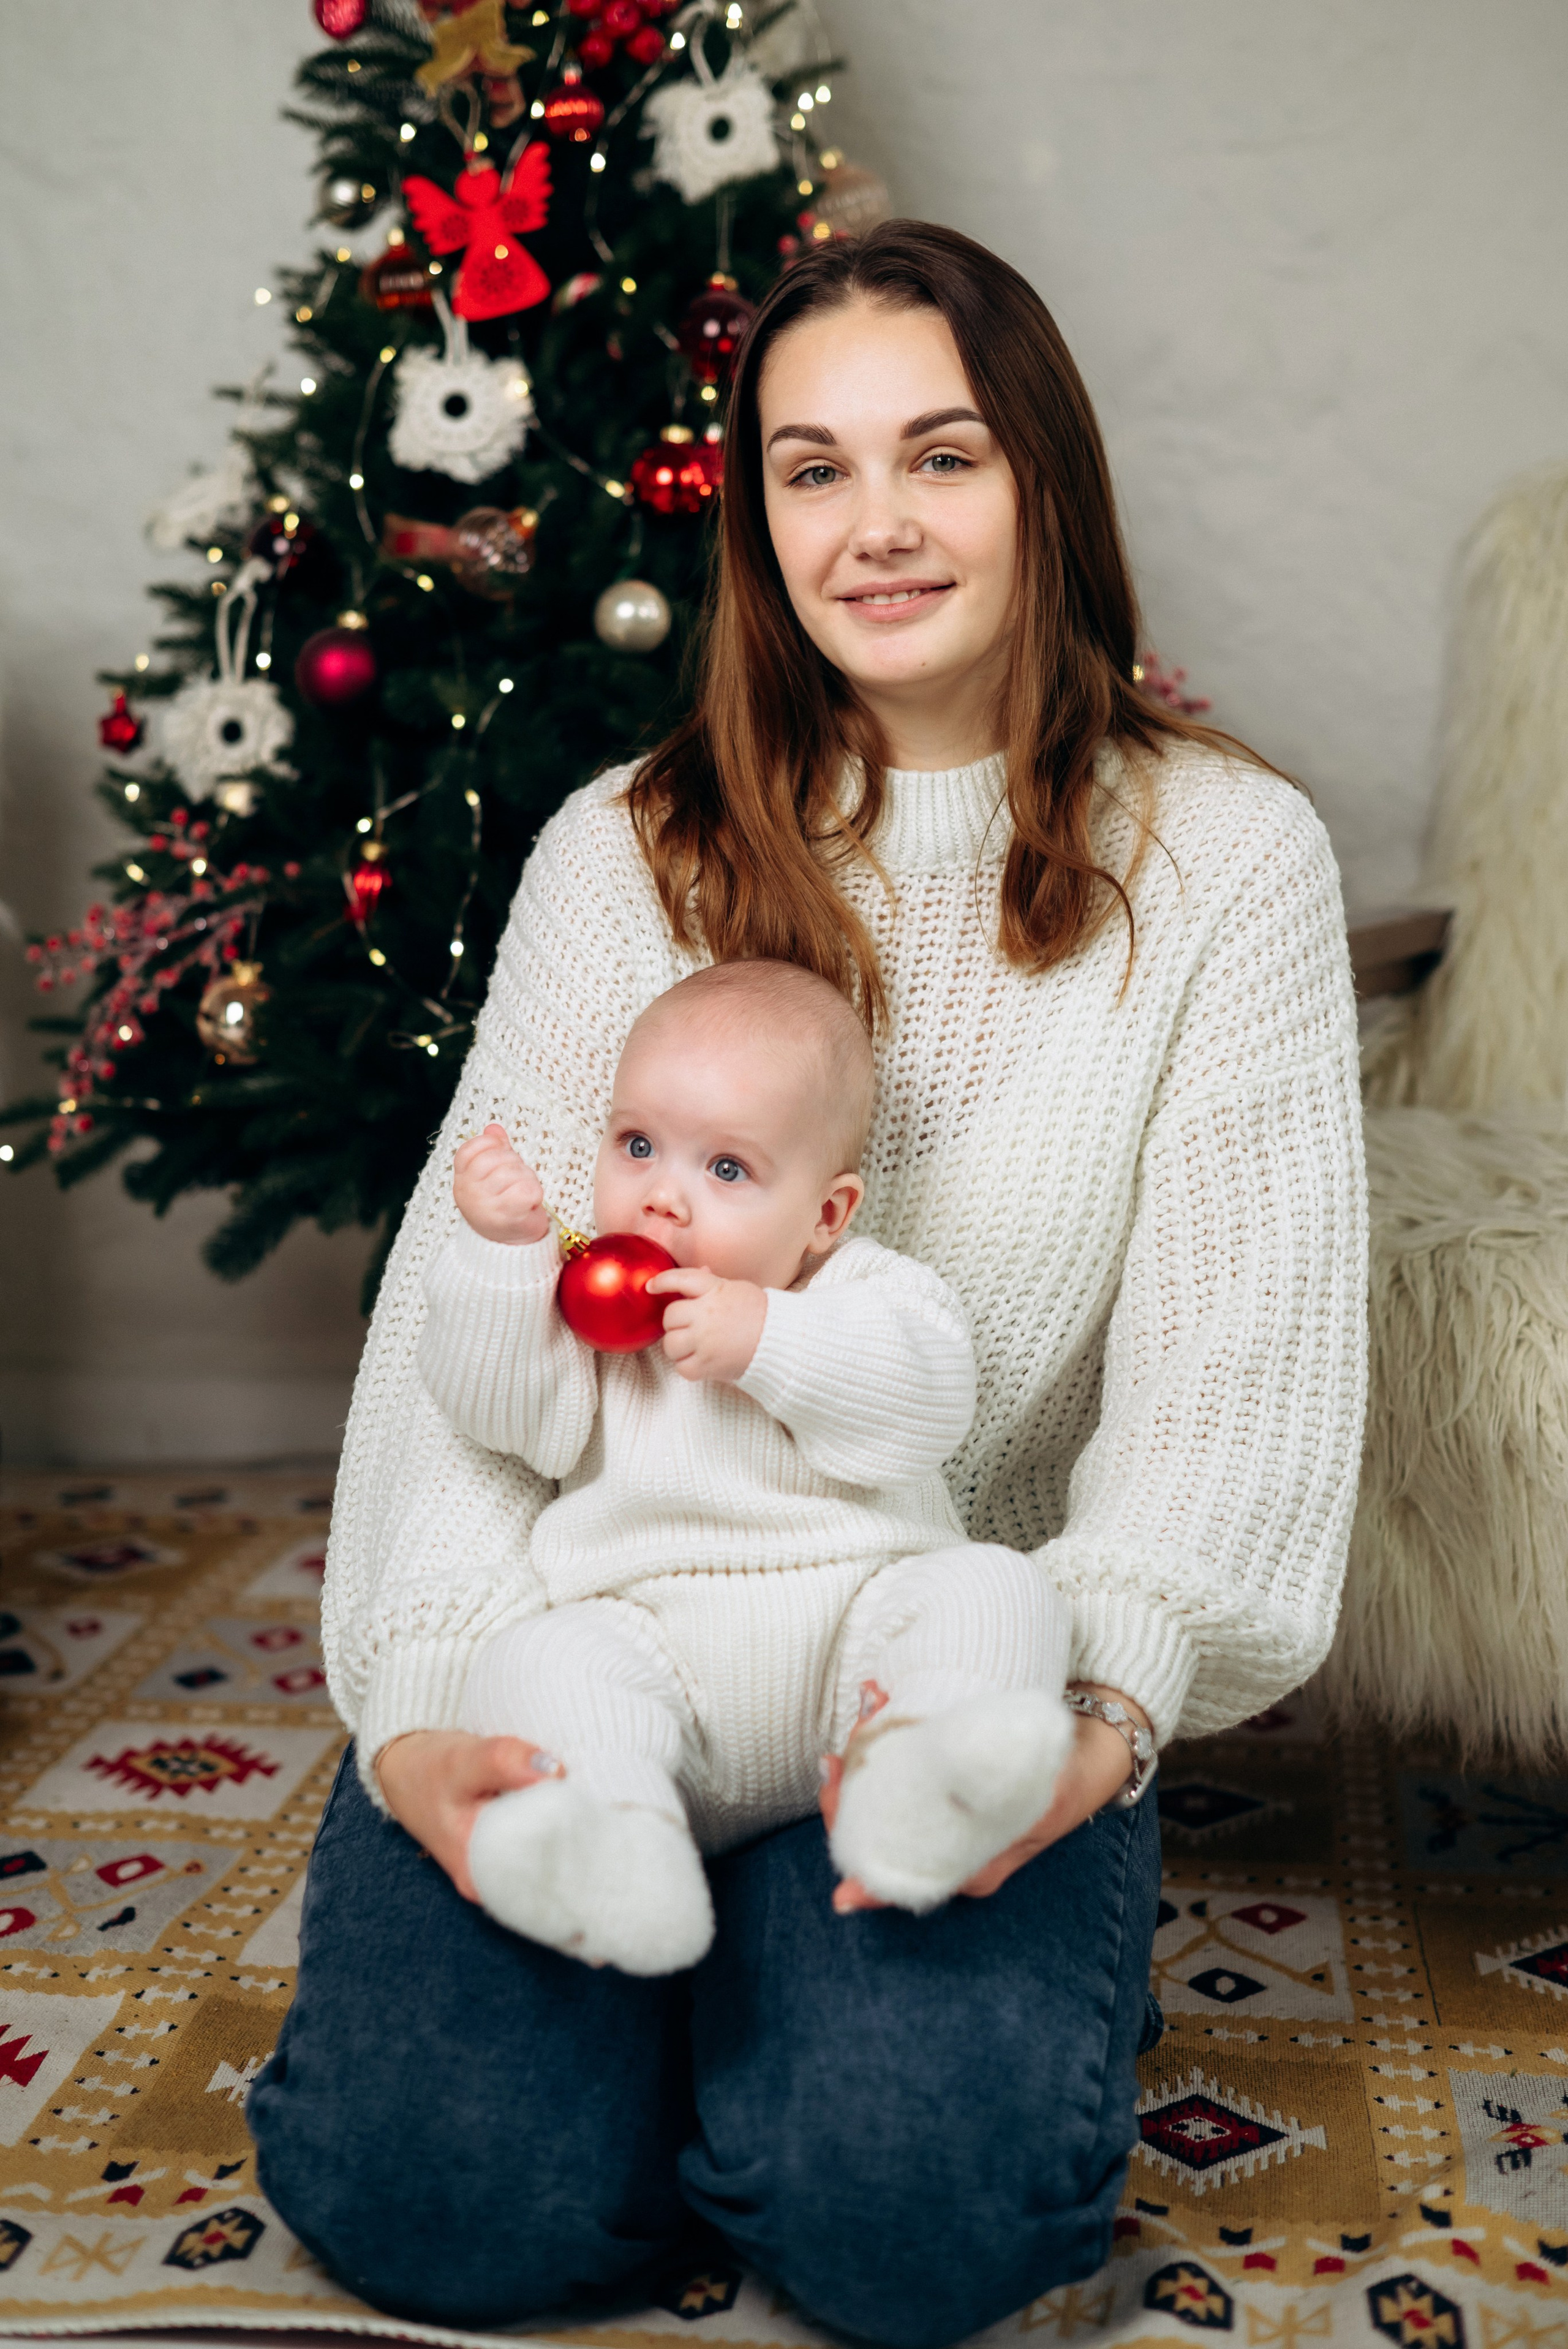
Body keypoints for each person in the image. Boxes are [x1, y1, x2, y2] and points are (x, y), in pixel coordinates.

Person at [249, 219, 1367, 2347]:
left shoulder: (1230, 861)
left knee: (911, 2218)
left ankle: (776, 1999)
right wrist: (417, 1699)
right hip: (600, 1631)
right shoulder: (625, 849)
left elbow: (1238, 1375)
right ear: (755, 517)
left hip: (932, 1662)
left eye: (938, 455)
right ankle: (657, 1992)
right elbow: (455, 1349)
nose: (876, 526)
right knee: (449, 2194)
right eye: (811, 467)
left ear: (1046, 478)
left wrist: (1103, 1707)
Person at [422, 959, 1075, 1974]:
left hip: (860, 1641)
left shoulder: (867, 1289)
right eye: (637, 1145)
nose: (663, 1199)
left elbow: (925, 1408)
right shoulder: (592, 1310)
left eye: (726, 1169)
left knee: (1000, 1586)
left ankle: (930, 1775)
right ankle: (613, 1841)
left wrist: (772, 1340)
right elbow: (502, 1413)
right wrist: (502, 1257)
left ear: (825, 1213)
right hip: (651, 1653)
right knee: (531, 1662)